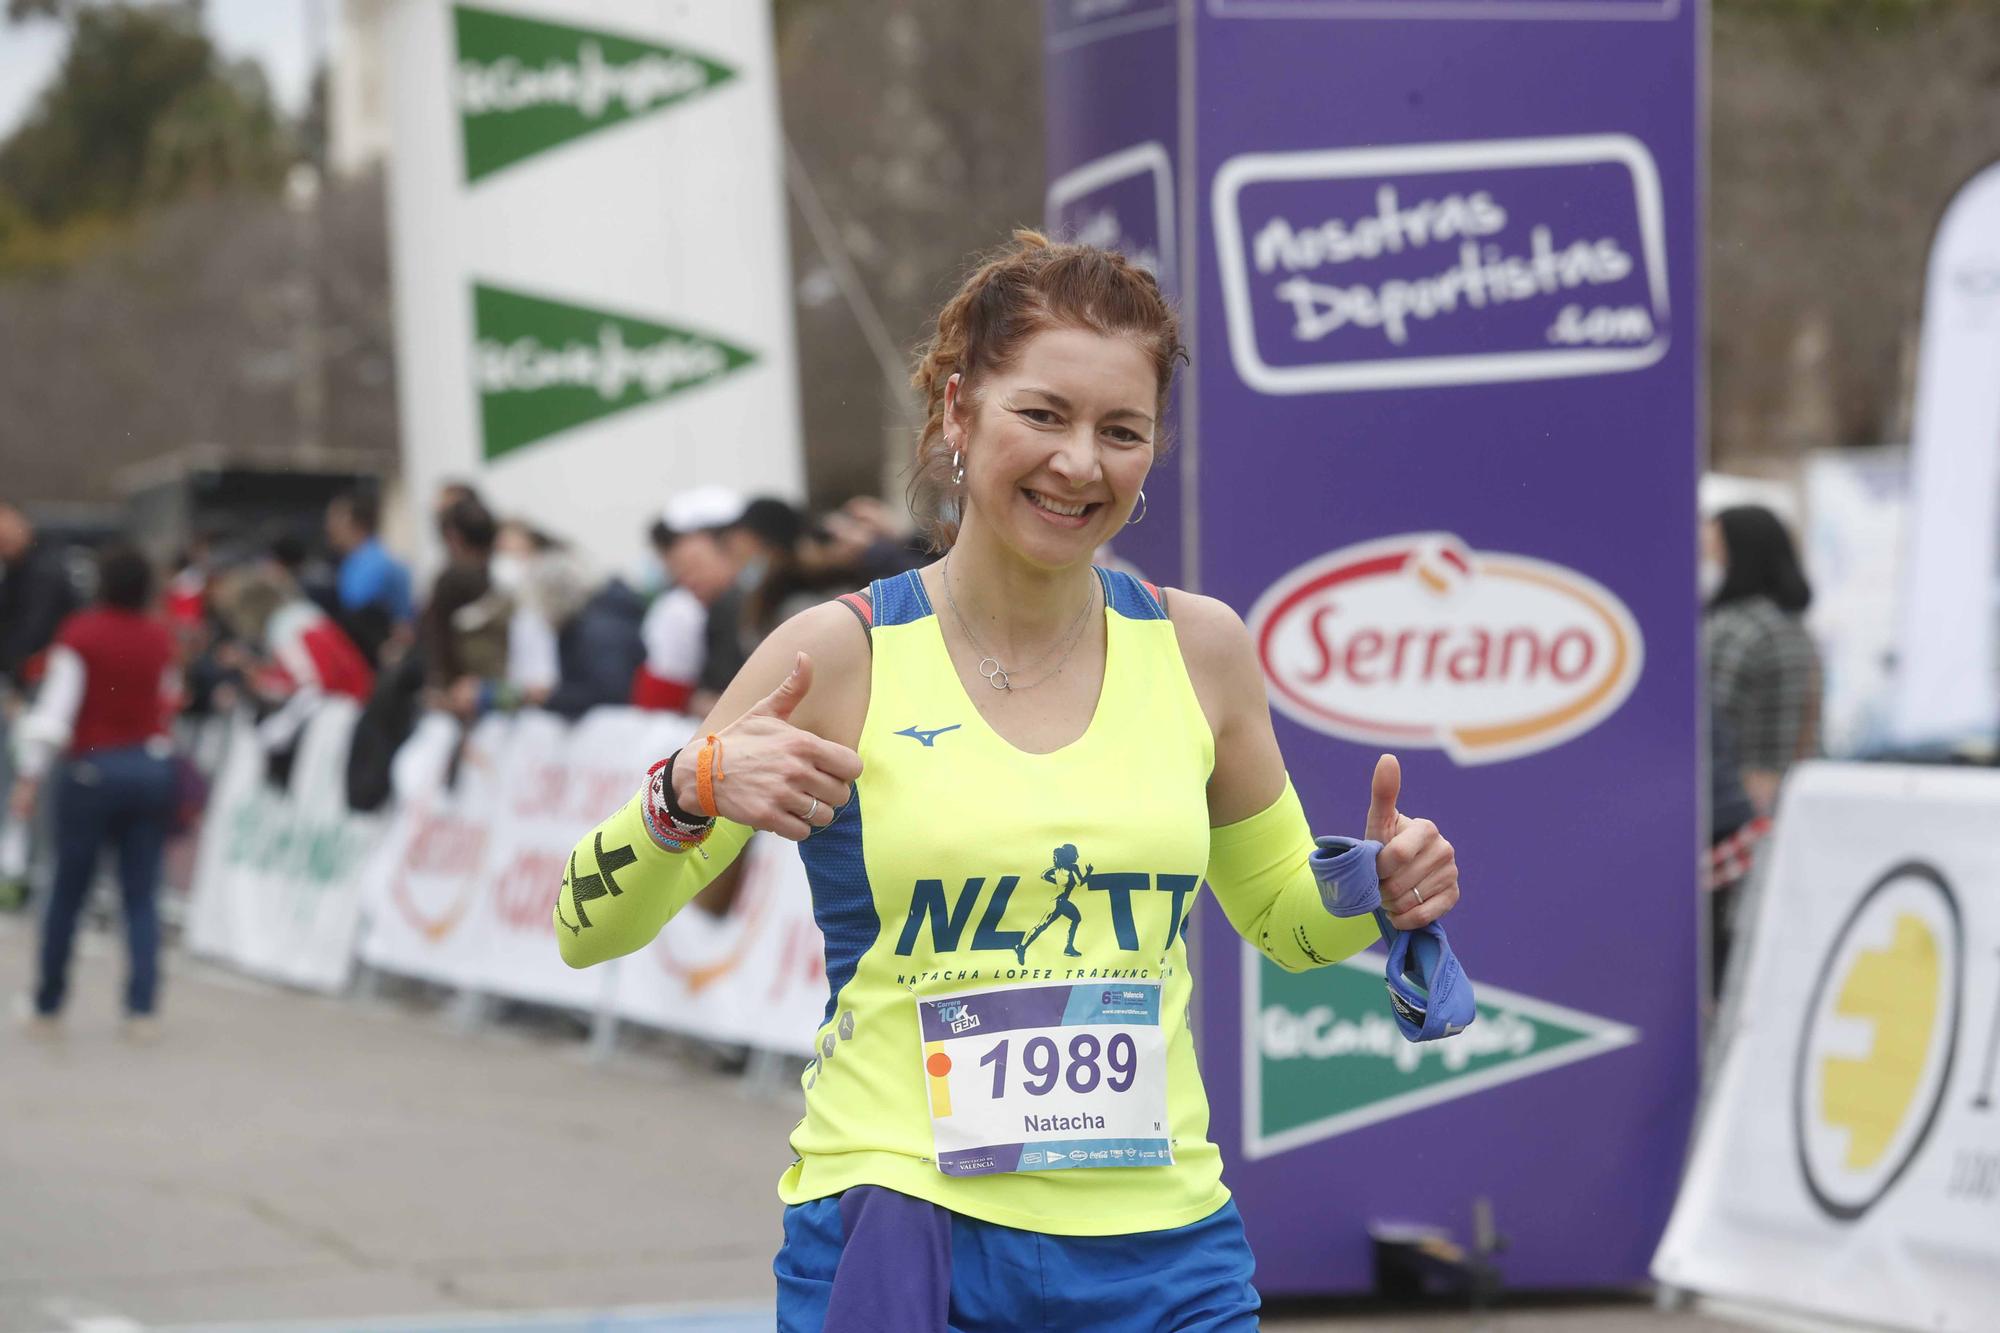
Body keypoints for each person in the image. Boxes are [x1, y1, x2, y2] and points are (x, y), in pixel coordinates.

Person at [552, 234, 1464, 1330]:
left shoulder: (1200, 648)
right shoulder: (836, 657)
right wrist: (685, 789)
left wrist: (1379, 888)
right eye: (1042, 415)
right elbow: (583, 928)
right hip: (907, 1228)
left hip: (1161, 1248)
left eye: (1120, 431)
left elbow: (1281, 922)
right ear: (957, 413)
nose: (1079, 463)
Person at [10, 545, 180, 1038]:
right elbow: (166, 699)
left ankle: (49, 997)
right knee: (141, 895)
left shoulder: (81, 635)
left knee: (67, 891)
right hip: (150, 768)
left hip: (92, 771)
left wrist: (29, 776)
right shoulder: (158, 637)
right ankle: (142, 1005)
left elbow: (57, 714)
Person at [1703, 505, 1822, 817]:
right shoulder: (1794, 627)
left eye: (1713, 551)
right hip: (1795, 796)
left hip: (1739, 804)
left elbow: (1711, 723)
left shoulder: (1733, 629)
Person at [325, 490, 414, 666]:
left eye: (336, 519)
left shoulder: (372, 565)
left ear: (356, 523)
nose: (329, 527)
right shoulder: (355, 562)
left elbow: (360, 618)